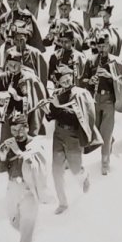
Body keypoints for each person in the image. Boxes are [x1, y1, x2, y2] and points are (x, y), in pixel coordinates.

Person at [0, 113, 53, 242]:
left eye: (21, 129)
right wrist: (2, 155)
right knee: (14, 222)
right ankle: (28, 237)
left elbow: (35, 165)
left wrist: (17, 151)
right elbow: (0, 169)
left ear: (27, 127)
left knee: (26, 231)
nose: (18, 133)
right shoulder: (8, 143)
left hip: (29, 191)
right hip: (13, 187)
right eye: (14, 130)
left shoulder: (35, 144)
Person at [44, 68, 99, 214]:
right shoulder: (57, 94)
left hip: (72, 135)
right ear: (58, 82)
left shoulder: (81, 93)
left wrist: (57, 108)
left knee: (75, 169)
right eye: (62, 81)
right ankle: (63, 203)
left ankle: (84, 175)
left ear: (72, 77)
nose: (66, 82)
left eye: (68, 79)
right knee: (56, 171)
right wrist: (48, 111)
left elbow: (77, 118)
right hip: (58, 134)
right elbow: (52, 115)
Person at [77, 31, 122, 175]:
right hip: (94, 101)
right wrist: (89, 81)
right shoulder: (91, 61)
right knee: (96, 131)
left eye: (105, 46)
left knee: (105, 135)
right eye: (99, 46)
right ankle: (109, 139)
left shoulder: (116, 61)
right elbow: (81, 80)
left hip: (108, 101)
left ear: (109, 46)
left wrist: (111, 77)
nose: (102, 49)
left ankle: (105, 163)